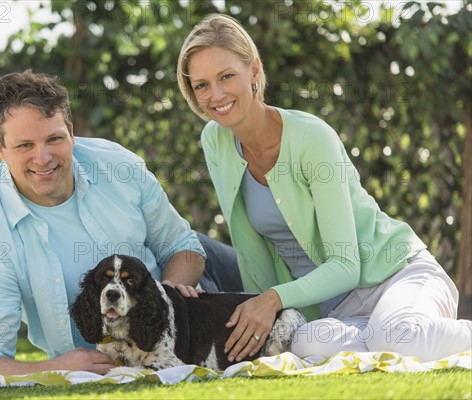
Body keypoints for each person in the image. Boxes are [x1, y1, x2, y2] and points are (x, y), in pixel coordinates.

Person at [176, 13, 472, 364]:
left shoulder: (311, 139)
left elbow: (345, 265)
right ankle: (390, 336)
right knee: (306, 347)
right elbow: (250, 249)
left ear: (254, 72)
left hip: (396, 274)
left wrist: (272, 299)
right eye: (202, 85)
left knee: (398, 338)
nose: (217, 95)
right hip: (335, 308)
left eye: (227, 76)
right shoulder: (215, 140)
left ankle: (400, 333)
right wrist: (257, 312)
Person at [0, 70, 243, 377]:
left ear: (71, 132)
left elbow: (182, 247)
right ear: (1, 149)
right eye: (25, 145)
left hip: (194, 304)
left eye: (54, 139)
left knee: (275, 306)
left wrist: (164, 300)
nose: (43, 158)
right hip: (108, 359)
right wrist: (55, 367)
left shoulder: (119, 167)